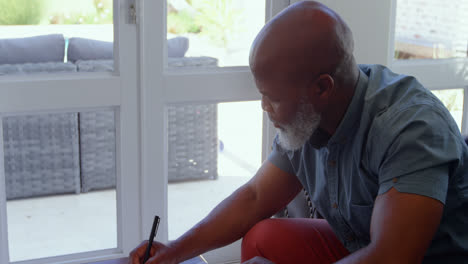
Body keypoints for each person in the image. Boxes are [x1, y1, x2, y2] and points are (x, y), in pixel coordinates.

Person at [129, 1, 468, 263]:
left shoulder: (409, 129)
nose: (264, 107)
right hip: (361, 242)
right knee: (264, 236)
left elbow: (393, 257)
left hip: (421, 257)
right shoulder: (308, 118)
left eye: (272, 98)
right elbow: (255, 198)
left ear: (322, 88)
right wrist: (173, 252)